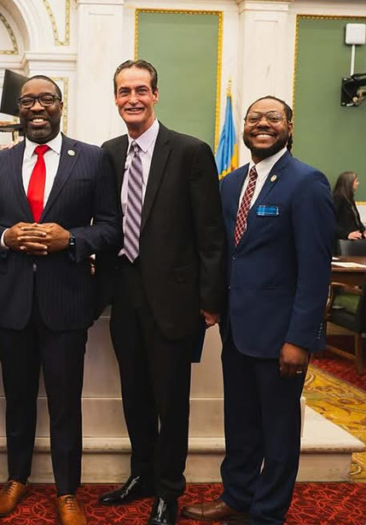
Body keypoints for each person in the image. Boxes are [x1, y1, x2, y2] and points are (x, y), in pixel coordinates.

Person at [0, 75, 121, 525]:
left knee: (64, 402)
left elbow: (111, 228)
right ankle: (16, 479)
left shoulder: (92, 159)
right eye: (28, 101)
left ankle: (67, 490)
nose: (37, 108)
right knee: (17, 398)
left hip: (66, 301)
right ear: (18, 109)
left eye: (46, 99)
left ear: (60, 105)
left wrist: (70, 239)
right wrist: (6, 236)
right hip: (12, 302)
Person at [182, 96, 334, 525]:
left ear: (289, 126)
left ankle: (268, 513)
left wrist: (300, 339)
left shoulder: (307, 183)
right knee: (241, 424)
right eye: (254, 118)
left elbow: (315, 269)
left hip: (281, 335)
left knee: (279, 432)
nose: (261, 124)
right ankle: (237, 497)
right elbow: (223, 252)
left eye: (272, 117)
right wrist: (211, 303)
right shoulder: (231, 183)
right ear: (244, 127)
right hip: (237, 329)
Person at [93, 59, 226, 525]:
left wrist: (211, 300)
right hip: (124, 295)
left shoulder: (189, 151)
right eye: (124, 91)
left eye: (141, 90)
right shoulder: (109, 153)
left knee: (171, 400)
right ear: (115, 98)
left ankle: (169, 489)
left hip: (174, 302)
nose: (132, 98)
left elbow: (210, 232)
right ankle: (142, 475)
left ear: (155, 95)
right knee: (134, 395)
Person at [333, 171, 366, 245]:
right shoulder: (337, 198)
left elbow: (355, 220)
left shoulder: (350, 199)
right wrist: (346, 234)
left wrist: (363, 231)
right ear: (349, 183)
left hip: (352, 242)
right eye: (356, 181)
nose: (358, 183)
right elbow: (330, 222)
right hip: (341, 243)